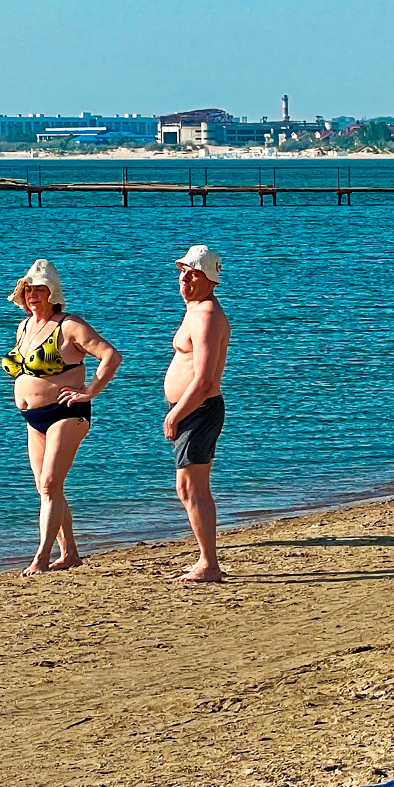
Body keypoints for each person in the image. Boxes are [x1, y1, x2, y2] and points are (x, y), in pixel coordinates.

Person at [5, 260, 121, 577]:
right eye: (28, 290)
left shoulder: (68, 326)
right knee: (47, 488)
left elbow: (111, 356)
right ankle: (69, 552)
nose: (32, 296)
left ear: (52, 293)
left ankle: (41, 558)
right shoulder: (24, 327)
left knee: (49, 485)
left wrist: (90, 391)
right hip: (34, 418)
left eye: (39, 290)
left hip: (67, 414)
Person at [166, 246, 230, 584]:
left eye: (193, 273)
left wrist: (176, 414)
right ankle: (206, 559)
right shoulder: (195, 311)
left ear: (210, 279)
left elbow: (205, 380)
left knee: (194, 489)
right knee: (187, 487)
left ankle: (209, 563)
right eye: (183, 271)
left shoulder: (206, 315)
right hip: (193, 409)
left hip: (198, 410)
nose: (185, 278)